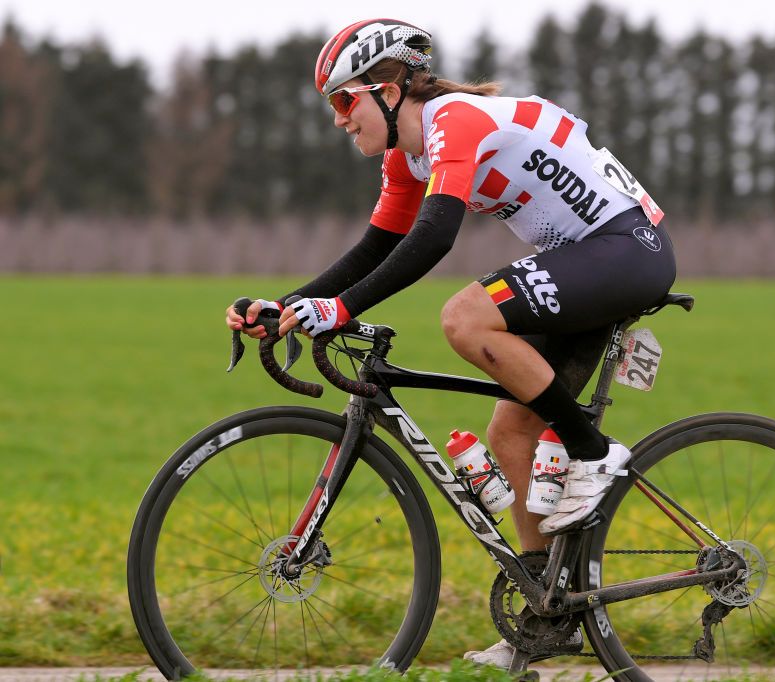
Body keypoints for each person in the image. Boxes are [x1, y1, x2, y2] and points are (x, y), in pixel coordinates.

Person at [224, 18, 676, 666]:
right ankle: (547, 619)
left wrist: (340, 308)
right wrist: (293, 307)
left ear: (389, 86)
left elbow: (435, 238)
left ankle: (594, 454)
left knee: (466, 317)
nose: (338, 119)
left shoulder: (452, 120)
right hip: (587, 257)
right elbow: (377, 246)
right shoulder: (408, 155)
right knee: (511, 433)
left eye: (343, 100)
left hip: (625, 249)